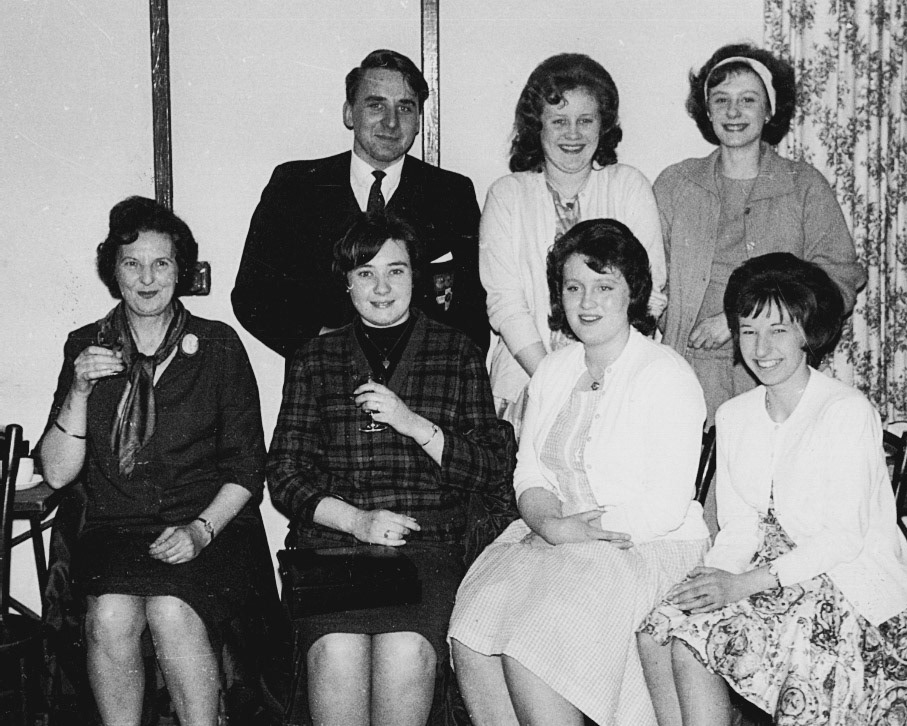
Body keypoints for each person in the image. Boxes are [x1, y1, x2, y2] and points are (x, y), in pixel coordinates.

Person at [640, 253, 907, 726]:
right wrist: (711, 580)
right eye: (748, 330)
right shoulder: (734, 415)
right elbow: (739, 527)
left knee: (694, 646)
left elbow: (843, 539)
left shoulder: (845, 411)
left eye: (778, 329)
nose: (761, 347)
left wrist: (741, 586)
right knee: (659, 630)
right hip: (767, 576)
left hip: (847, 588)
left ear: (806, 333)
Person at [449, 219, 709, 726]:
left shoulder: (666, 374)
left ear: (633, 293)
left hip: (643, 544)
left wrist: (579, 535)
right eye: (574, 287)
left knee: (533, 648)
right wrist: (550, 525)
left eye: (604, 286)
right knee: (472, 631)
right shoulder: (554, 368)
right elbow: (529, 474)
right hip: (555, 535)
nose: (587, 302)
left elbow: (665, 505)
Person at [266, 214, 515, 726]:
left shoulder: (459, 353)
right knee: (335, 653)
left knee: (407, 652)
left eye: (396, 271)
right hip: (334, 549)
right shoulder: (314, 358)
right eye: (365, 273)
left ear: (416, 277)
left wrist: (414, 424)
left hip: (427, 549)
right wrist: (356, 520)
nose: (381, 287)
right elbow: (285, 475)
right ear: (347, 281)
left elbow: (492, 470)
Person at [38, 197, 269, 726]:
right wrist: (78, 389)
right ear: (112, 271)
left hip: (211, 524)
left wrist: (200, 531)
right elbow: (56, 472)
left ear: (180, 271)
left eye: (161, 263)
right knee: (112, 615)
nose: (147, 278)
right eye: (132, 263)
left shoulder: (218, 346)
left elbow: (246, 468)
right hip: (116, 530)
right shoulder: (85, 346)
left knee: (171, 609)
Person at [232, 48, 488, 363]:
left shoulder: (451, 194)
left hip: (423, 387)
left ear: (419, 122)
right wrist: (326, 345)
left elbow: (474, 308)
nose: (391, 122)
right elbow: (253, 295)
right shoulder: (296, 186)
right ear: (349, 113)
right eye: (376, 104)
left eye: (405, 107)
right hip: (321, 383)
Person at [656, 43, 866, 425]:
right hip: (690, 366)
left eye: (748, 99)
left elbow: (839, 279)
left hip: (776, 366)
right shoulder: (676, 184)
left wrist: (737, 320)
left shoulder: (804, 185)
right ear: (707, 111)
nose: (733, 112)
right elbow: (648, 277)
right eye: (721, 100)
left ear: (769, 109)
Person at [480, 53, 666, 430]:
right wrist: (554, 379)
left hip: (620, 383)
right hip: (525, 383)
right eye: (559, 121)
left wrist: (603, 378)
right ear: (537, 127)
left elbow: (649, 291)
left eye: (585, 120)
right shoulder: (507, 195)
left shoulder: (628, 186)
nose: (573, 134)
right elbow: (505, 304)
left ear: (603, 125)